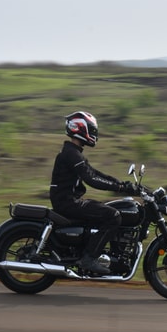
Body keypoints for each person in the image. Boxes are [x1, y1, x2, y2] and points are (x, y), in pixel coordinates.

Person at [49, 111, 137, 274]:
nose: (94, 133)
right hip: (68, 202)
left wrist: (122, 184)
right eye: (92, 129)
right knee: (113, 216)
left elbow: (94, 173)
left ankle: (89, 251)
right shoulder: (72, 154)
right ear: (81, 129)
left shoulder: (74, 153)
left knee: (103, 209)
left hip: (68, 201)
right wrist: (119, 188)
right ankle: (89, 258)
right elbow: (92, 179)